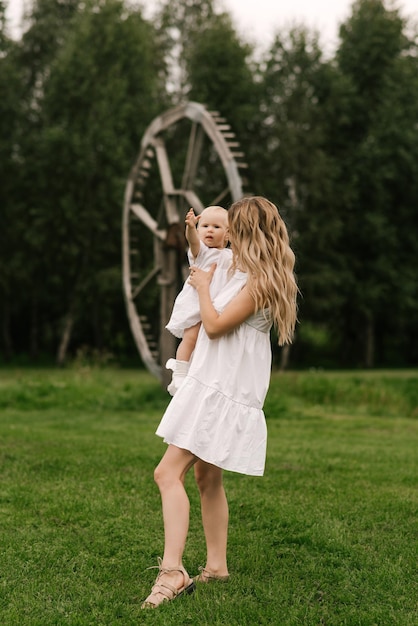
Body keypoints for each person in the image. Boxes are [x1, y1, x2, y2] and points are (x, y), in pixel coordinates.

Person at [141, 196, 298, 609]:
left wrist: (205, 289)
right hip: (213, 383)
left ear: (248, 233)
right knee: (206, 478)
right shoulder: (236, 266)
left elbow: (212, 326)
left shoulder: (261, 281)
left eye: (235, 228)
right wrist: (196, 236)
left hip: (221, 391)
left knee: (166, 473)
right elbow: (203, 252)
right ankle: (216, 566)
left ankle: (172, 572)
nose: (226, 235)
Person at [165, 205, 231, 395]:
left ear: (228, 234)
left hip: (216, 306)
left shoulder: (229, 256)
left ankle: (201, 375)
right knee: (191, 337)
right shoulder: (200, 252)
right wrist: (191, 228)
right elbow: (192, 241)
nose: (210, 230)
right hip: (196, 303)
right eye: (205, 226)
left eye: (217, 227)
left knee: (207, 344)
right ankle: (180, 372)